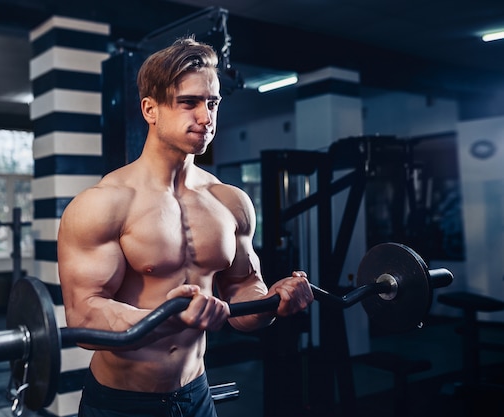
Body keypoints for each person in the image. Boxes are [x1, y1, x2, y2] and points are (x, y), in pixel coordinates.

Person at [57, 36, 314, 417]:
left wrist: (274, 301)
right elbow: (84, 318)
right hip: (121, 403)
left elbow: (243, 295)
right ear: (150, 109)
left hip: (196, 396)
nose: (206, 117)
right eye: (189, 102)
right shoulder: (103, 204)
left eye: (212, 103)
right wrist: (169, 317)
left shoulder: (230, 202)